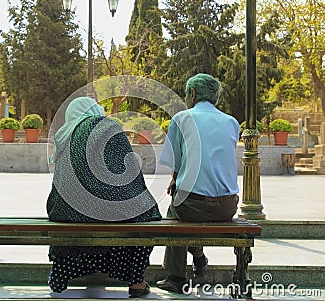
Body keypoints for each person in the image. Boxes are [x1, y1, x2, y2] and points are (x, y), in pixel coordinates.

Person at [47, 97, 162, 297]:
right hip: (105, 211)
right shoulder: (107, 126)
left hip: (66, 212)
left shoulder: (65, 134)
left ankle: (60, 277)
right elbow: (128, 171)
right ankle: (136, 281)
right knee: (146, 215)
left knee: (88, 214)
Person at [156, 74, 240, 293]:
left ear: (192, 94)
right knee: (186, 208)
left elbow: (176, 160)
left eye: (186, 93)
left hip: (193, 206)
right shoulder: (232, 122)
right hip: (227, 206)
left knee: (175, 212)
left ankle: (176, 276)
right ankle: (199, 260)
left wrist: (175, 180)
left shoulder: (182, 119)